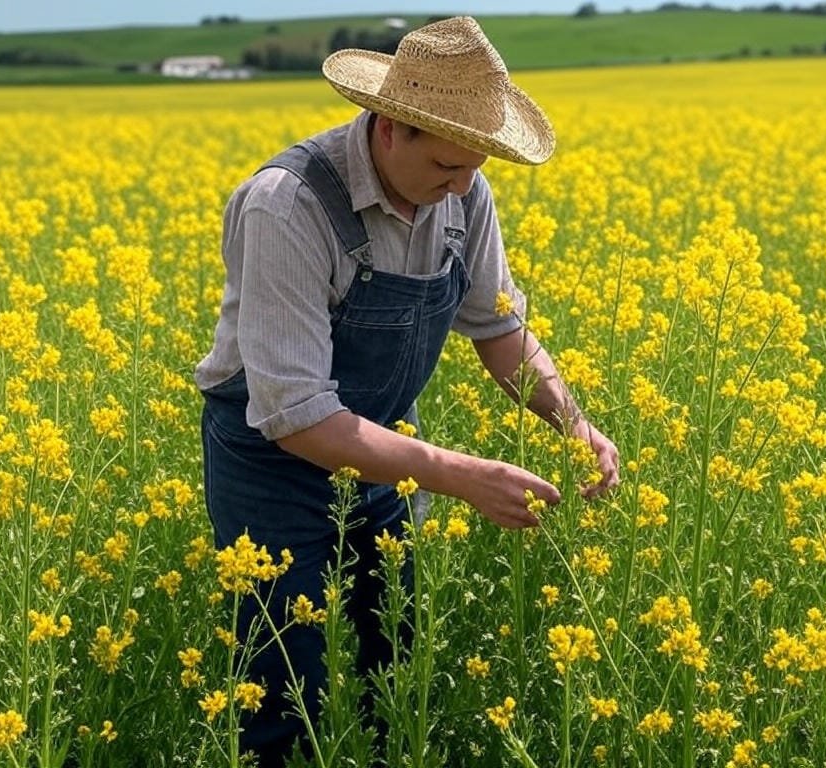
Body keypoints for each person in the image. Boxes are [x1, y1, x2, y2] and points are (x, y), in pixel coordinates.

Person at [195, 15, 619, 767]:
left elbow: (497, 328)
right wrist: (461, 475)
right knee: (284, 685)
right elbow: (297, 417)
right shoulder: (285, 205)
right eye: (449, 167)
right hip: (275, 465)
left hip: (384, 449)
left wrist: (572, 422)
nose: (462, 186)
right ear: (391, 127)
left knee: (397, 666)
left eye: (475, 169)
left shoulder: (464, 189)